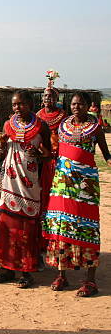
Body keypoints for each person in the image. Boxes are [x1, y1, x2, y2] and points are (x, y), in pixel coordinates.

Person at [43, 92, 111, 297]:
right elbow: (55, 151)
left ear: (88, 106)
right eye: (73, 104)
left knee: (86, 226)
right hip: (62, 184)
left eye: (80, 104)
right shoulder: (63, 125)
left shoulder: (95, 128)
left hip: (85, 185)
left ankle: (90, 280)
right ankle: (62, 275)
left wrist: (109, 161)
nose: (76, 107)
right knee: (61, 225)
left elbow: (106, 153)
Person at [0, 90, 51, 288]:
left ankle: (26, 271)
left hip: (29, 182)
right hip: (9, 180)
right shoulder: (8, 125)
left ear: (30, 105)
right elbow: (2, 154)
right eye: (15, 104)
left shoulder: (41, 126)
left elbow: (49, 154)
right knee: (7, 225)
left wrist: (39, 153)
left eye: (22, 104)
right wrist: (1, 146)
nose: (18, 108)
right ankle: (7, 268)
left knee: (27, 226)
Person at [36, 70, 67, 256]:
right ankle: (41, 238)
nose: (47, 98)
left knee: (53, 198)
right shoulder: (38, 115)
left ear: (56, 98)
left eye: (50, 95)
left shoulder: (62, 116)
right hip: (41, 161)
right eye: (45, 95)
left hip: (57, 162)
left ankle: (54, 237)